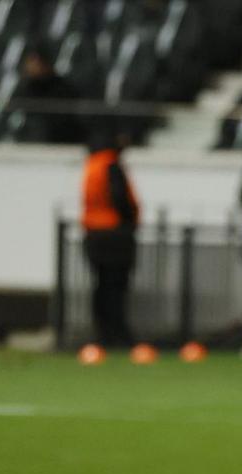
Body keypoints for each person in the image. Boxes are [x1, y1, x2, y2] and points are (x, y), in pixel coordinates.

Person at [82, 126, 139, 348]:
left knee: (101, 286)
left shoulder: (92, 165)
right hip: (114, 235)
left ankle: (102, 333)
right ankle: (117, 334)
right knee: (115, 287)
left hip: (93, 233)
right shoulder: (110, 166)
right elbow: (119, 198)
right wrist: (129, 223)